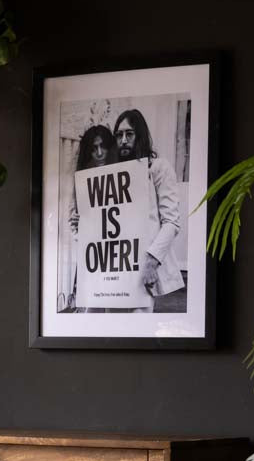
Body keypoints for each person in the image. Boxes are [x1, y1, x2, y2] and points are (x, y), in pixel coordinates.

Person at [113, 108, 184, 307]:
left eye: (129, 134)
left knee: (137, 324)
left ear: (140, 135)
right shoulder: (111, 175)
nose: (124, 140)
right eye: (119, 135)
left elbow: (171, 223)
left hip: (142, 264)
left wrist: (151, 262)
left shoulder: (158, 168)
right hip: (114, 265)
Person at [66, 125, 115, 310]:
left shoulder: (121, 172)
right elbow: (73, 217)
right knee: (90, 308)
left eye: (103, 146)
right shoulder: (81, 178)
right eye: (94, 148)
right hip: (92, 253)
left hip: (118, 252)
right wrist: (79, 226)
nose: (100, 153)